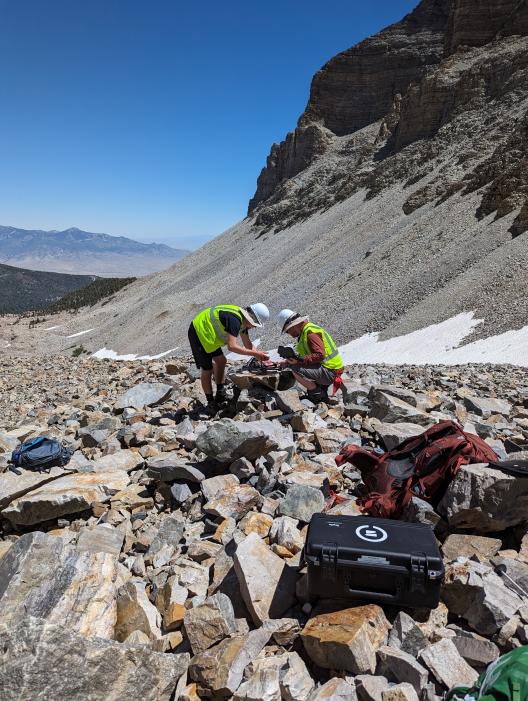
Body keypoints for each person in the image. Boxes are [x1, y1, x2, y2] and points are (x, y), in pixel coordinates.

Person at [189, 303, 270, 408]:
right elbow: (232, 346)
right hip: (198, 331)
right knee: (207, 369)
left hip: (209, 334)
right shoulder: (235, 320)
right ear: (251, 319)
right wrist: (255, 354)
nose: (254, 327)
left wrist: (260, 356)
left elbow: (247, 344)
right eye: (255, 324)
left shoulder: (243, 321)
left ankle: (220, 393)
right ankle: (210, 403)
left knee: (221, 361)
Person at [277, 309, 344, 402]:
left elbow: (320, 355)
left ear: (294, 325)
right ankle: (319, 388)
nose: (290, 334)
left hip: (331, 372)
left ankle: (317, 394)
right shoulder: (305, 331)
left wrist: (298, 361)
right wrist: (287, 361)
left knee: (293, 368)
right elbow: (308, 355)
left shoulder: (310, 333)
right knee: (292, 365)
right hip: (330, 368)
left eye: (288, 331)